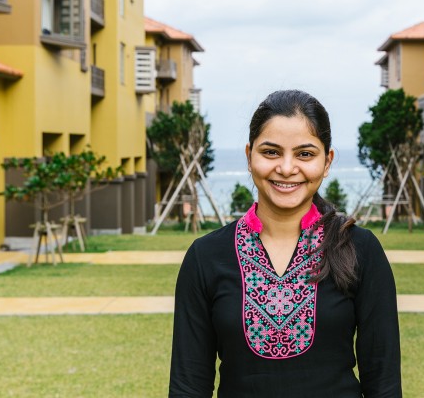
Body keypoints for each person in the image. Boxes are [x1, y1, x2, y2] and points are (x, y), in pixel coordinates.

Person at [169, 90, 402, 397]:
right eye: (271, 152)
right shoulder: (206, 256)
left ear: (327, 161)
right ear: (249, 156)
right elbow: (188, 385)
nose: (287, 168)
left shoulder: (360, 249)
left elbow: (383, 382)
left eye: (305, 154)